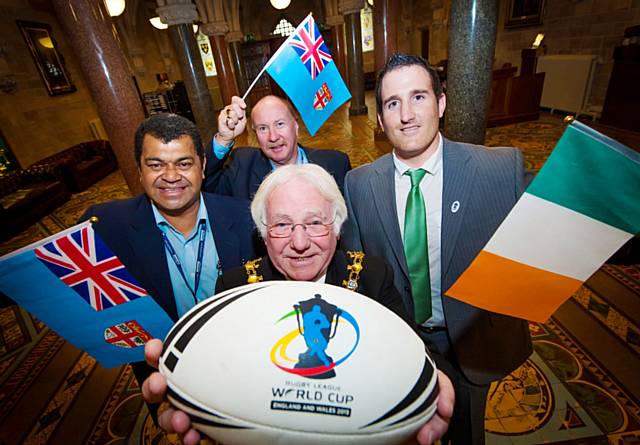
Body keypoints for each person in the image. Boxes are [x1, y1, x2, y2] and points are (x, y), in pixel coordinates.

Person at [142, 164, 455, 445]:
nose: (300, 243)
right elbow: (216, 375)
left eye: (315, 222)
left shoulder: (372, 278)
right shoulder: (234, 288)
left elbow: (412, 353)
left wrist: (428, 384)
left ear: (337, 227)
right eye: (281, 225)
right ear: (263, 234)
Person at [341, 53, 532, 444]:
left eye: (419, 97)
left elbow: (551, 232)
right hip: (401, 343)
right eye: (393, 104)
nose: (407, 115)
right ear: (380, 119)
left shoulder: (497, 169)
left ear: (441, 103)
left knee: (465, 433)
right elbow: (359, 273)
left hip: (472, 343)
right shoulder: (359, 184)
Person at [81, 114, 258, 409]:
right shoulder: (106, 225)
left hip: (242, 363)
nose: (171, 176)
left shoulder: (245, 216)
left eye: (183, 163)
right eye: (156, 165)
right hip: (164, 373)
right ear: (139, 170)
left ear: (202, 166)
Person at [203, 95, 351, 198]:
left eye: (280, 124)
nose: (273, 137)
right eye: (263, 128)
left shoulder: (336, 163)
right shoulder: (241, 165)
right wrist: (224, 139)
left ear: (295, 125)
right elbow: (205, 188)